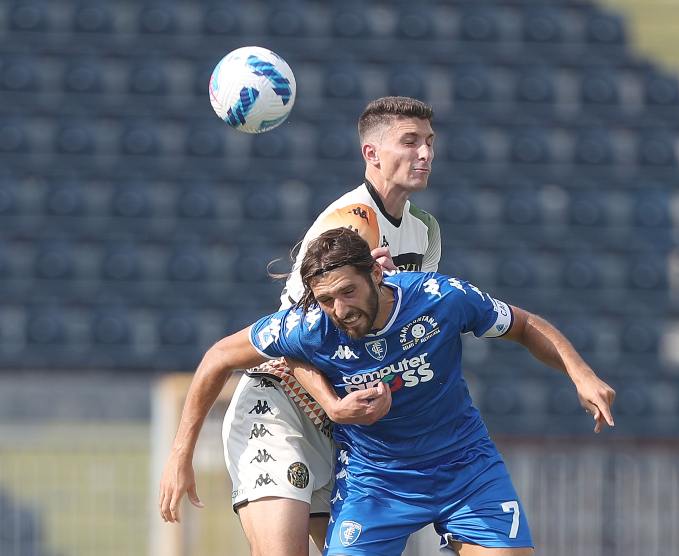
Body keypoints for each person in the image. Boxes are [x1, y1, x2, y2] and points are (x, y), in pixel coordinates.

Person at [160, 227, 616, 555]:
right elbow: (219, 355)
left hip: (465, 468)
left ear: (377, 276)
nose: (339, 309)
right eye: (325, 300)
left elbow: (523, 325)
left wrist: (581, 374)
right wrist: (181, 454)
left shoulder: (440, 299)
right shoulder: (311, 327)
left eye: (348, 292)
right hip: (377, 482)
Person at [160, 96, 442, 556]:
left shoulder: (425, 231)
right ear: (371, 154)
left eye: (429, 142)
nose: (425, 154)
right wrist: (180, 454)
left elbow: (409, 329)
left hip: (343, 431)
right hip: (281, 410)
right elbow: (296, 341)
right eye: (410, 142)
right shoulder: (351, 223)